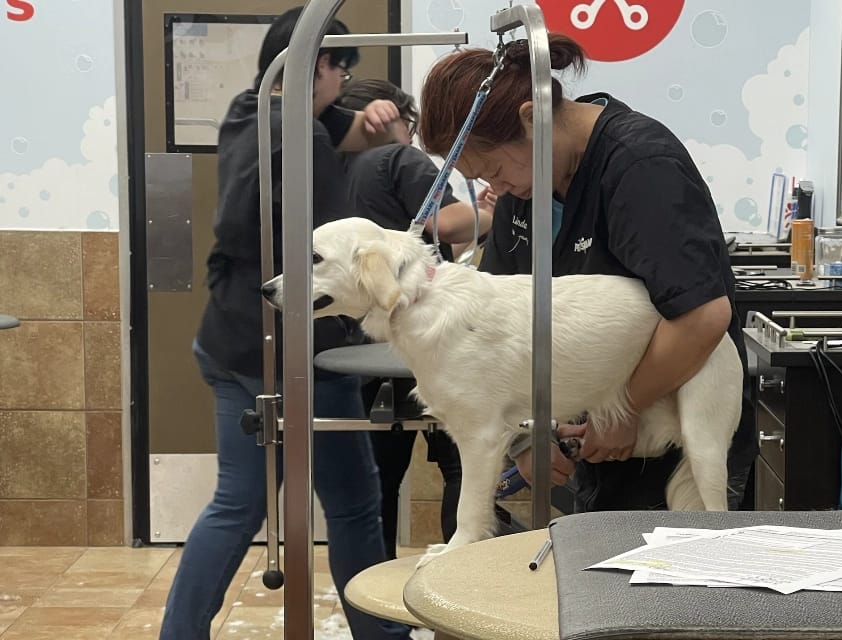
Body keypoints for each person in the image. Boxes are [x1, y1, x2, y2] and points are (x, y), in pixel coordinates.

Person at [416, 34, 757, 513]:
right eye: (483, 180)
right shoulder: (527, 188)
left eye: (493, 168)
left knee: (690, 552)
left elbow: (702, 316)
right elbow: (494, 327)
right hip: (595, 446)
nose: (497, 188)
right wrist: (524, 438)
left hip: (684, 427)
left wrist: (624, 407)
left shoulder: (640, 166)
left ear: (532, 119)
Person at [160, 8, 413, 640]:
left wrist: (372, 122)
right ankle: (380, 636)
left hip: (226, 339)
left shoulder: (247, 110)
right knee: (354, 505)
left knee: (236, 504)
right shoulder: (301, 140)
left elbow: (337, 130)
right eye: (341, 70)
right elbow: (329, 256)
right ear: (319, 65)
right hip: (288, 348)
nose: (344, 84)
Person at [334, 78, 495, 556]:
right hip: (420, 337)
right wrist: (498, 209)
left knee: (379, 477)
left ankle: (371, 587)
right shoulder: (399, 158)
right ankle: (460, 579)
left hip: (358, 345)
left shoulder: (334, 168)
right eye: (411, 123)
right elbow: (445, 225)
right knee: (460, 462)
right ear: (395, 121)